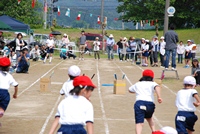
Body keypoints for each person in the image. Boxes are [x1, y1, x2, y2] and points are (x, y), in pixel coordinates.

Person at [129, 69, 162, 134]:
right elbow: (157, 87)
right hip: (150, 104)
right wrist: (159, 96)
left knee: (139, 123)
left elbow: (130, 90)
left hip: (139, 103)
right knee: (149, 117)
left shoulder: (138, 84)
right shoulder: (153, 83)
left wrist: (137, 91)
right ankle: (153, 131)